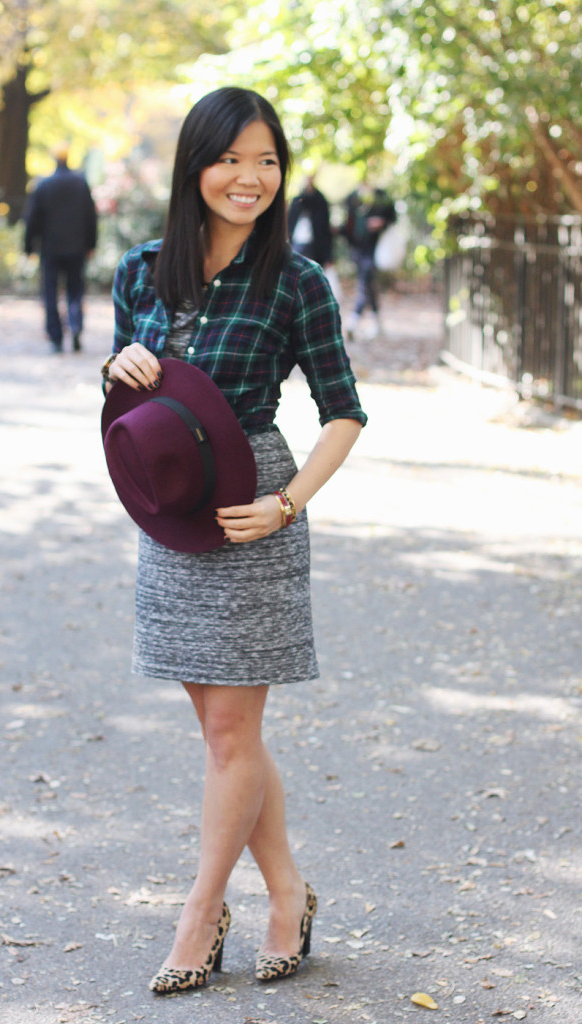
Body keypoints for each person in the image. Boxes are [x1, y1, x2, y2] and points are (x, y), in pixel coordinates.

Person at [100, 87, 367, 995]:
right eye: (231, 159)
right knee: (227, 736)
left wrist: (286, 503)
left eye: (266, 161)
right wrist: (116, 367)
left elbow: (344, 413)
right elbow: (125, 395)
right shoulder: (140, 270)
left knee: (229, 732)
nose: (249, 178)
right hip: (169, 505)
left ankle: (199, 914)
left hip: (254, 507)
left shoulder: (296, 283)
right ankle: (289, 893)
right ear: (194, 166)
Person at [23, 143, 97, 353]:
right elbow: (91, 217)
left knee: (50, 293)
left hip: (51, 249)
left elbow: (32, 218)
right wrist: (91, 244)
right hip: (77, 248)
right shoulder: (80, 183)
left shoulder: (44, 184)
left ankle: (55, 337)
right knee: (75, 290)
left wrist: (29, 246)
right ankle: (75, 327)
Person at [343, 182, 397, 337]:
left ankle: (354, 319)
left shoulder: (381, 195)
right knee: (367, 284)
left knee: (365, 281)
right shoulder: (353, 197)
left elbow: (392, 218)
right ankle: (376, 321)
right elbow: (349, 223)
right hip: (358, 249)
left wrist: (381, 222)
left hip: (375, 247)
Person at [287, 165, 333, 268]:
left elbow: (325, 229)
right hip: (297, 242)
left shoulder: (320, 201)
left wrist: (328, 256)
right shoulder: (297, 200)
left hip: (315, 245)